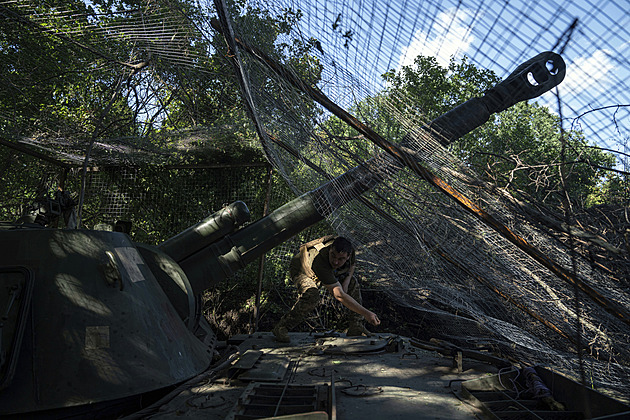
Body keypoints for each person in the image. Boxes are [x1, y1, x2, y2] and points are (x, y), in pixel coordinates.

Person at [272, 235, 380, 343]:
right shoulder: (320, 261)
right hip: (302, 269)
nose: (336, 262)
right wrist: (367, 313)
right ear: (330, 250)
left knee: (353, 283)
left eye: (341, 259)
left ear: (348, 255)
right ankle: (282, 327)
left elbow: (352, 265)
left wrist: (346, 282)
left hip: (329, 270)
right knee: (312, 295)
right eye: (333, 256)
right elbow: (338, 294)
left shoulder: (348, 250)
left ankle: (356, 325)